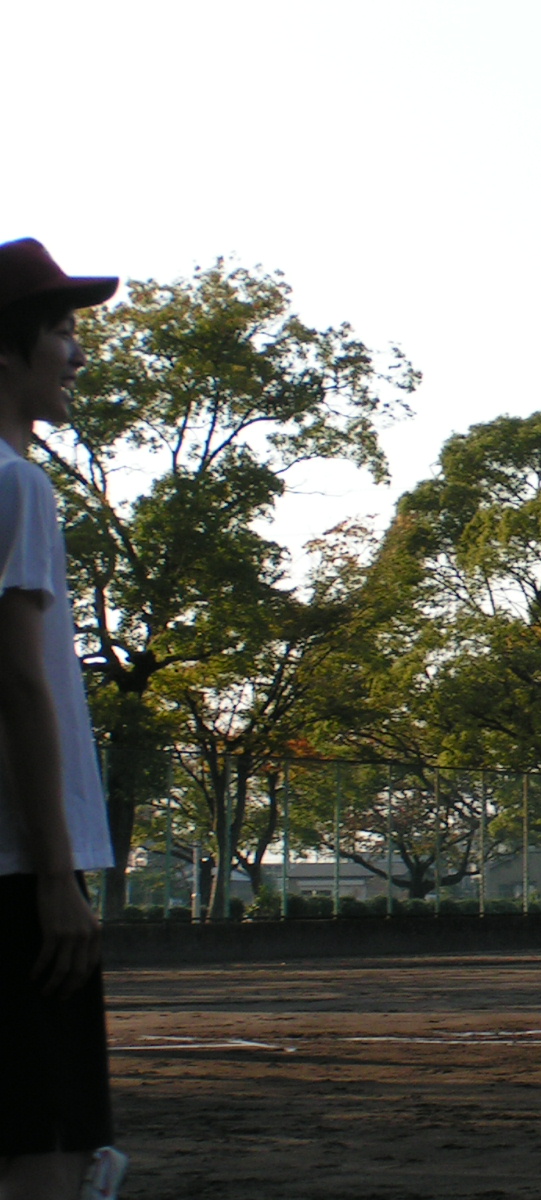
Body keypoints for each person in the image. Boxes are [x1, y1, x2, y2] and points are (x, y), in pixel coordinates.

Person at [0, 238, 126, 1200]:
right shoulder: (16, 484)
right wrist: (54, 876)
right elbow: (18, 684)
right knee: (48, 1151)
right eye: (60, 330)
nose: (77, 354)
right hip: (16, 869)